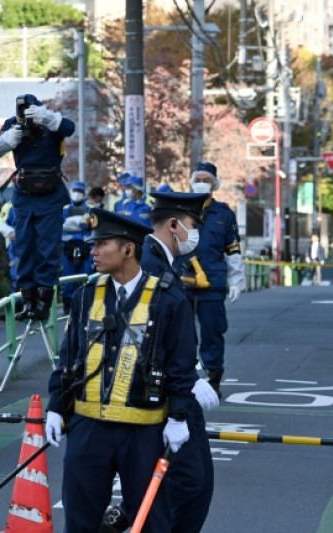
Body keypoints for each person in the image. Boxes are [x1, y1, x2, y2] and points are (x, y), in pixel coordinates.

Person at [44, 208, 198, 533]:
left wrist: (179, 416)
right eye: (93, 244)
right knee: (79, 519)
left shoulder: (169, 299)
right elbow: (68, 357)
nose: (93, 251)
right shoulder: (86, 295)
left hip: (143, 432)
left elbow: (181, 365)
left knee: (151, 520)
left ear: (128, 249)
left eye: (102, 244)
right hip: (89, 427)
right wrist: (56, 407)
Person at [140, 191, 218, 533]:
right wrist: (185, 387)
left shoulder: (168, 263)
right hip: (166, 393)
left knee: (195, 482)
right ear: (173, 225)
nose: (195, 233)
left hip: (181, 386)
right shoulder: (148, 265)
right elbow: (148, 339)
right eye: (191, 225)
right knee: (184, 484)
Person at [0, 94, 76, 321]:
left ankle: (44, 303)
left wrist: (47, 118)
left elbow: (69, 128)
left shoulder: (51, 123)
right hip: (25, 194)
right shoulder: (13, 124)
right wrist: (9, 138)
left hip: (50, 194)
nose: (26, 116)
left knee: (48, 249)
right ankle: (27, 300)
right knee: (24, 247)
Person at [176, 161, 244, 398]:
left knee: (213, 333)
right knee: (180, 333)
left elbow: (233, 250)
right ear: (190, 181)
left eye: (207, 180)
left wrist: (238, 281)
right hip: (181, 281)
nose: (201, 184)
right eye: (198, 179)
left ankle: (213, 379)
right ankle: (183, 377)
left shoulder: (224, 214)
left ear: (215, 184)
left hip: (212, 283)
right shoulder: (177, 209)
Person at [61, 181, 94, 314]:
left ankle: (85, 305)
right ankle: (67, 305)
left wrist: (74, 224)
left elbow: (90, 226)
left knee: (86, 277)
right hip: (67, 247)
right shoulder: (64, 209)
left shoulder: (91, 209)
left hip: (86, 247)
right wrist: (81, 223)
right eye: (75, 191)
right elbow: (62, 226)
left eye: (80, 192)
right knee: (67, 278)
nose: (77, 194)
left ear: (84, 193)